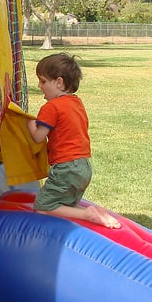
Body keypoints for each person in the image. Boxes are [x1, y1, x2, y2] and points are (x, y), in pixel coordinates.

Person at [26, 53, 119, 228]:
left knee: (43, 207)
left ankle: (88, 214)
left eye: (43, 81)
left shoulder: (51, 107)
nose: (39, 86)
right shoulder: (76, 103)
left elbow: (38, 137)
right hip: (83, 166)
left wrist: (29, 123)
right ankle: (98, 214)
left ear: (59, 82)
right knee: (64, 205)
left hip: (66, 168)